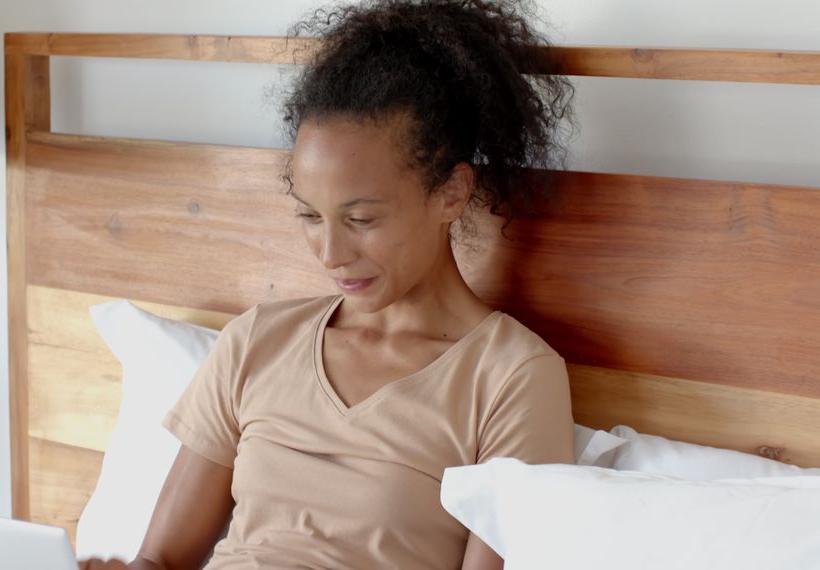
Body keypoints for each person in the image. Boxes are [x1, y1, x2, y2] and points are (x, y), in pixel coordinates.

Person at [80, 0, 576, 568]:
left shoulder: (510, 376)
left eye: (361, 220)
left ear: (452, 193)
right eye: (311, 216)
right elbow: (160, 562)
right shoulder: (257, 341)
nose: (331, 255)